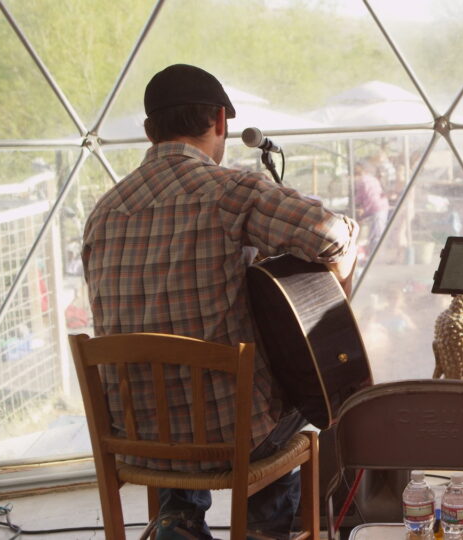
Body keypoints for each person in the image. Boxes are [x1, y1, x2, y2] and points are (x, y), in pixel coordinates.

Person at [82, 64, 358, 540]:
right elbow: (331, 235)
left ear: (149, 132)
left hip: (136, 437)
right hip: (232, 438)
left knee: (189, 393)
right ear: (220, 121)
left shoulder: (104, 212)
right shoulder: (231, 192)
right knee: (313, 393)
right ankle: (264, 530)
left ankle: (179, 518)